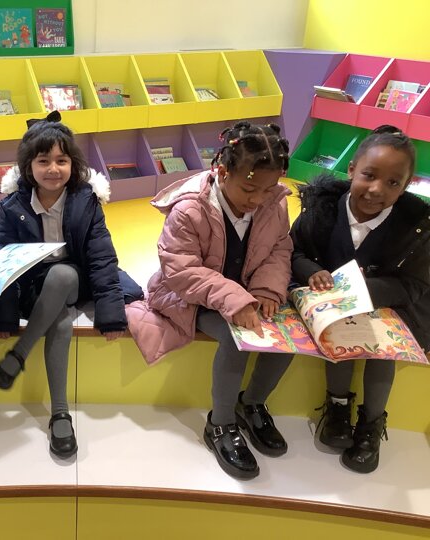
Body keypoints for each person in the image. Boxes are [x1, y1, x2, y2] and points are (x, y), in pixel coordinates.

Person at [126, 121, 294, 479]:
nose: (258, 199)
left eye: (268, 189)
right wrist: (235, 300)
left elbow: (279, 250)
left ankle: (252, 403)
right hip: (190, 299)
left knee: (288, 334)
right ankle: (220, 423)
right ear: (222, 171)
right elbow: (181, 270)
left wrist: (265, 291)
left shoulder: (274, 204)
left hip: (246, 293)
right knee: (237, 339)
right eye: (249, 188)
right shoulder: (190, 209)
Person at [0, 113, 142, 458]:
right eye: (43, 161)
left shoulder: (85, 201)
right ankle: (60, 413)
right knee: (59, 321)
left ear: (74, 164)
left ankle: (20, 353)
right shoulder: (13, 206)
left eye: (61, 160)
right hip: (35, 286)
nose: (53, 169)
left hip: (76, 279)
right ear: (28, 167)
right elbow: (3, 261)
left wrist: (110, 316)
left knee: (62, 275)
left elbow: (101, 257)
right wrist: (3, 315)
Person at [290, 125, 430, 473]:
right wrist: (312, 272)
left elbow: (416, 284)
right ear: (351, 169)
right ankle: (337, 407)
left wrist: (364, 290)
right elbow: (293, 252)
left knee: (383, 348)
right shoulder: (321, 209)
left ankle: (371, 423)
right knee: (336, 331)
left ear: (406, 186)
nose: (377, 189)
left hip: (390, 307)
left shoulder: (416, 226)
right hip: (328, 307)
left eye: (393, 183)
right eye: (369, 175)